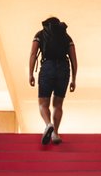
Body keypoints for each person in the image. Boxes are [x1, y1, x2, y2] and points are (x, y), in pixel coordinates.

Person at [28, 16, 77, 144]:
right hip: (63, 69)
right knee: (58, 104)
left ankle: (48, 124)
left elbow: (33, 54)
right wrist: (73, 79)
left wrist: (30, 74)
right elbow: (74, 59)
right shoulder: (66, 37)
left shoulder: (40, 35)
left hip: (47, 67)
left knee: (43, 104)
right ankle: (55, 133)